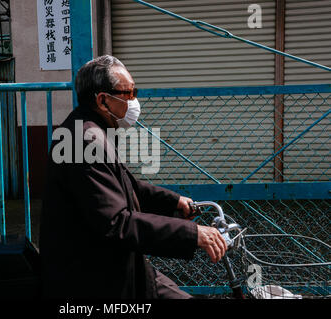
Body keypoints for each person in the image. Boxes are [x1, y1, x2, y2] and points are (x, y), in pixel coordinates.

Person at [39, 55, 227, 299]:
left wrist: (173, 202)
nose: (134, 100)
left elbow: (123, 186)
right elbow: (116, 223)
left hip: (114, 267)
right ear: (103, 100)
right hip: (93, 281)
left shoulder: (88, 129)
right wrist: (193, 234)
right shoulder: (84, 140)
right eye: (128, 93)